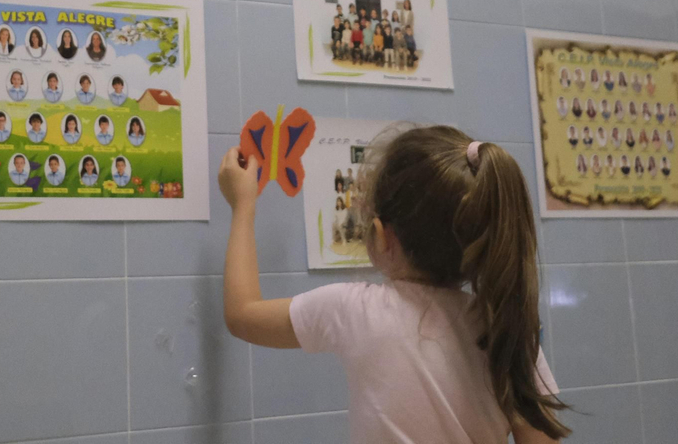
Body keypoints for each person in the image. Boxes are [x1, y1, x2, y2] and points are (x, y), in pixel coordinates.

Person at [216, 126, 566, 444]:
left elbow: (242, 315)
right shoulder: (505, 329)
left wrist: (243, 206)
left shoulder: (356, 310)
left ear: (382, 237)